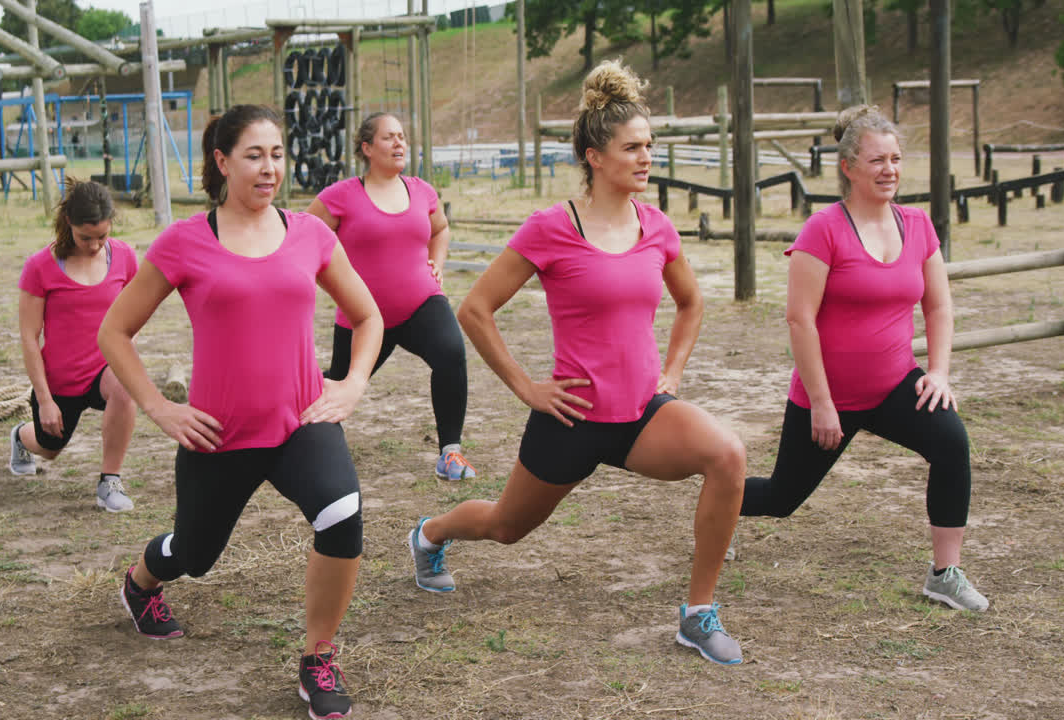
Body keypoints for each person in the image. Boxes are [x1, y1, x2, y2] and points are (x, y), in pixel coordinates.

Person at [405, 60, 749, 666]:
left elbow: (691, 303)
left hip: (642, 415)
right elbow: (476, 309)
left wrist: (671, 374)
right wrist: (527, 389)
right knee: (506, 528)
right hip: (570, 419)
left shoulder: (656, 226)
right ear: (594, 155)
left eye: (650, 146)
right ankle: (430, 535)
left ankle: (698, 614)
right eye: (632, 148)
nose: (646, 158)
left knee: (727, 455)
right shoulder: (550, 228)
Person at [97, 104, 383, 719]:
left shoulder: (311, 234)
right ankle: (142, 582)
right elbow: (115, 331)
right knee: (195, 555)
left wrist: (352, 383)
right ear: (222, 162)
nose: (269, 168)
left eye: (277, 154)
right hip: (218, 434)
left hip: (300, 423)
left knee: (342, 517)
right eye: (254, 156)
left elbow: (368, 315)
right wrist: (159, 407)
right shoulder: (184, 241)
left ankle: (318, 658)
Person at [739, 105, 988, 612]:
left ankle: (946, 573)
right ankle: (718, 498)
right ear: (849, 167)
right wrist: (824, 404)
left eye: (896, 159)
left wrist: (938, 372)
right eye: (877, 160)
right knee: (781, 499)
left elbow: (938, 305)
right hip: (828, 395)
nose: (889, 170)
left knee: (951, 443)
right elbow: (799, 321)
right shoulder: (823, 229)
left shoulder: (917, 224)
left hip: (896, 385)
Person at [304, 112, 476, 481]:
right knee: (336, 383)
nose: (399, 143)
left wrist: (437, 262)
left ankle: (450, 453)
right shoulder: (340, 197)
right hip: (363, 318)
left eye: (402, 136)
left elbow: (440, 229)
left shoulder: (422, 191)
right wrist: (335, 286)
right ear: (367, 148)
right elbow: (304, 243)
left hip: (421, 305)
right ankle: (291, 426)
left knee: (451, 353)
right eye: (389, 137)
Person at [10, 178, 139, 513]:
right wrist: (45, 400)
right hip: (59, 384)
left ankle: (109, 481)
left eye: (102, 236)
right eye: (86, 237)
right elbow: (28, 336)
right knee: (49, 449)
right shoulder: (39, 266)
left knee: (126, 386)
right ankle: (20, 438)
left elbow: (132, 316)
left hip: (103, 371)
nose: (95, 245)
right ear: (69, 223)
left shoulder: (125, 257)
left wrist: (126, 357)